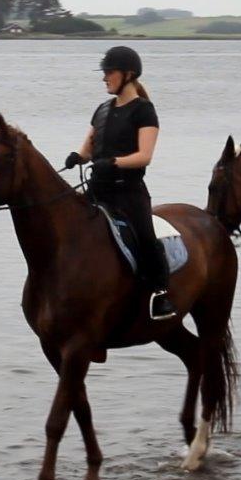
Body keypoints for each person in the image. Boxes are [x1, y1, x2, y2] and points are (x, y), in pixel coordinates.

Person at [64, 46, 176, 320]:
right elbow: (89, 148)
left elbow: (144, 156)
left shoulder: (144, 111)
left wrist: (113, 162)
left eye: (109, 72)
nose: (104, 78)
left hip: (128, 192)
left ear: (128, 75)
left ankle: (161, 293)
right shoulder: (102, 110)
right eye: (104, 73)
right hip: (98, 190)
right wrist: (77, 157)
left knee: (146, 238)